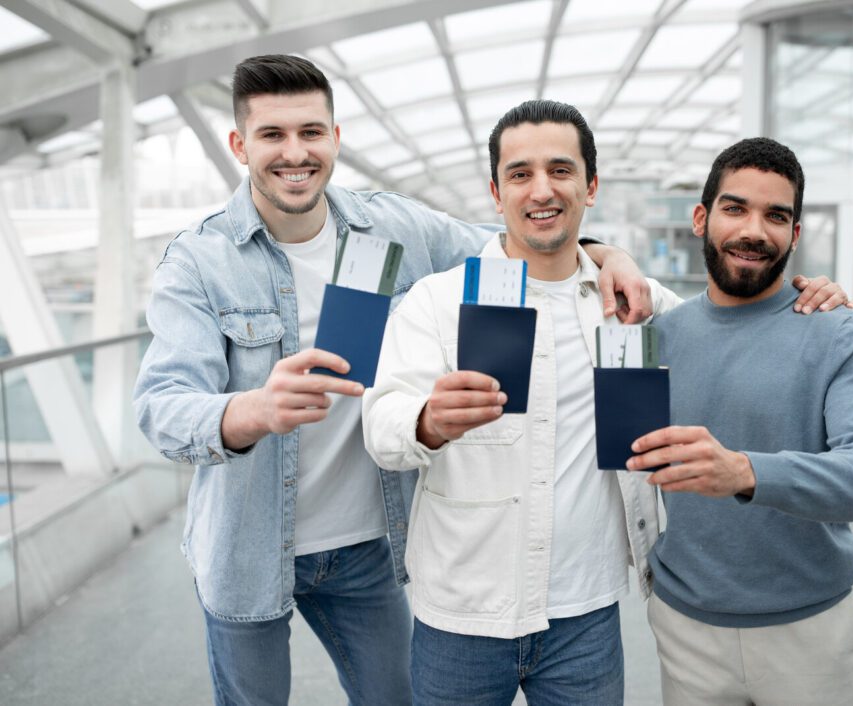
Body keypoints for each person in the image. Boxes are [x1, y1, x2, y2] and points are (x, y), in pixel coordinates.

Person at [132, 55, 659, 706]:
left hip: (367, 545)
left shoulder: (393, 230)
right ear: (240, 145)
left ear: (335, 137)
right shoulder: (200, 261)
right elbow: (161, 407)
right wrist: (254, 409)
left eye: (311, 132)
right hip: (249, 542)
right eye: (272, 135)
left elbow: (526, 239)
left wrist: (611, 255)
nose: (294, 152)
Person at [361, 103, 850, 705]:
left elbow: (733, 314)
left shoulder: (638, 307)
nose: (542, 190)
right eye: (520, 174)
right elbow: (381, 427)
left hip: (586, 616)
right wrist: (427, 421)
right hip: (462, 616)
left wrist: (813, 293)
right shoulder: (438, 303)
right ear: (495, 192)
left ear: (591, 186)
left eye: (561, 170)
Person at [627, 137, 853, 706]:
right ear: (702, 218)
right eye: (735, 208)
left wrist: (745, 472)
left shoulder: (843, 334)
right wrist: (609, 255)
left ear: (795, 234)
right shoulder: (655, 339)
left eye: (776, 216)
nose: (754, 230)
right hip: (686, 629)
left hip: (810, 633)